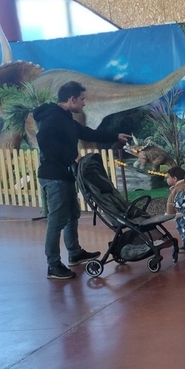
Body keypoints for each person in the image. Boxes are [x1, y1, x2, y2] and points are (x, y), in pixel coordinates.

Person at [34, 81, 129, 280]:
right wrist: (64, 158)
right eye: (82, 99)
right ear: (72, 99)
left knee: (72, 215)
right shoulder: (53, 117)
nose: (84, 103)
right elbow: (43, 139)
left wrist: (113, 136)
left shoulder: (65, 117)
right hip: (54, 176)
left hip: (65, 174)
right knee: (57, 220)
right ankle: (53, 265)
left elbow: (85, 132)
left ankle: (74, 252)